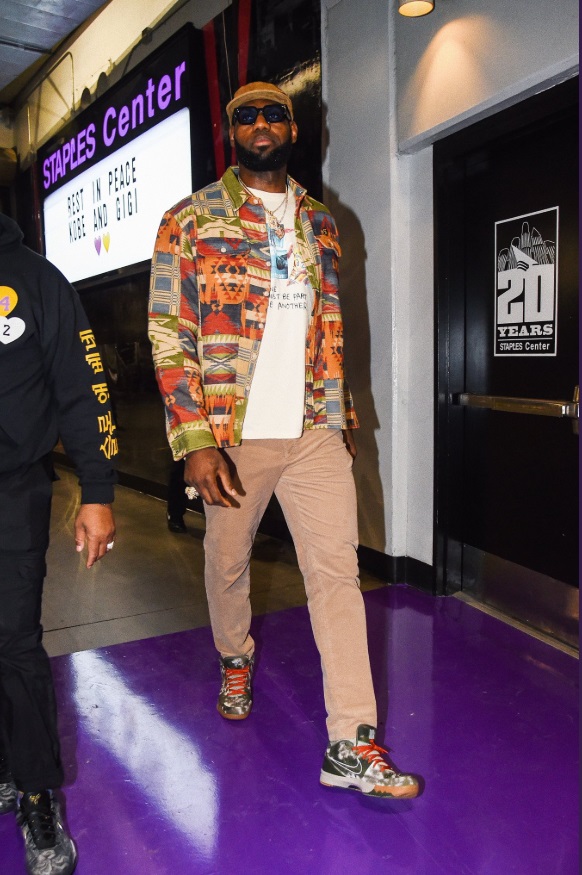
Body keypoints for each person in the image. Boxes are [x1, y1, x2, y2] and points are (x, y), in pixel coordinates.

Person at [148, 82, 419, 799]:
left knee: (335, 573)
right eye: (246, 115)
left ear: (296, 129)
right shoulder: (190, 218)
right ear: (229, 130)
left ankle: (350, 741)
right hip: (232, 432)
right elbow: (169, 333)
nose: (261, 124)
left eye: (274, 114)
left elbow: (331, 331)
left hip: (312, 429)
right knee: (227, 561)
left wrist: (342, 420)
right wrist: (193, 438)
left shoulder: (322, 223)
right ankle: (233, 656)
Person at [0, 212, 117, 874]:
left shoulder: (37, 280)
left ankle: (39, 797)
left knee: (13, 640)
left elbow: (84, 387)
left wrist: (97, 491)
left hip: (12, 491)